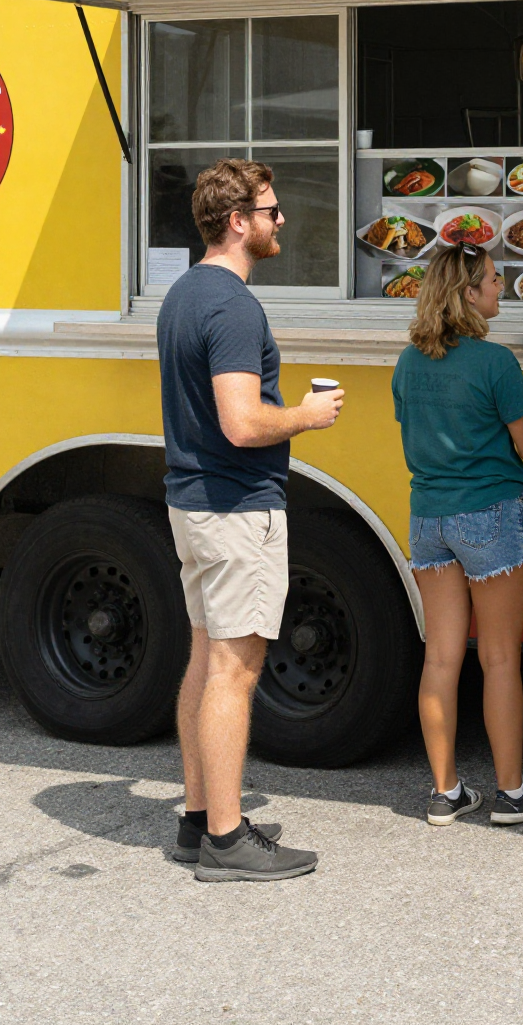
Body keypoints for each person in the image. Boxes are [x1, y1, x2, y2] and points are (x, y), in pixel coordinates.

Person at [159, 159, 342, 882]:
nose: (280, 221)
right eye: (270, 210)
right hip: (237, 510)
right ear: (238, 222)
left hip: (193, 504)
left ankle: (198, 821)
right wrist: (306, 415)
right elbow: (240, 423)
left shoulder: (181, 295)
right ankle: (229, 844)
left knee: (206, 661)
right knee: (235, 673)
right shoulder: (234, 307)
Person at [393, 243, 523, 828]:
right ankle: (513, 795)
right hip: (489, 514)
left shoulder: (408, 362)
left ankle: (445, 793)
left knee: (440, 657)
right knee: (498, 659)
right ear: (468, 293)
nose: (501, 288)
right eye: (493, 279)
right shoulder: (496, 363)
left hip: (427, 517)